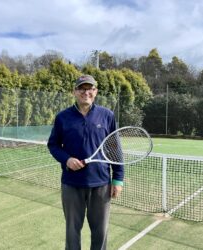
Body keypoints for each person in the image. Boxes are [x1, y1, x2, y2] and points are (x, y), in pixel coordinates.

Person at [47, 75, 124, 250]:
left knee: (100, 232)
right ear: (74, 91)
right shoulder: (62, 117)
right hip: (71, 184)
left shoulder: (107, 115)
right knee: (72, 231)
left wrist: (118, 179)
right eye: (82, 88)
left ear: (95, 92)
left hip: (102, 183)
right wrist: (67, 159)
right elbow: (53, 145)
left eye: (90, 88)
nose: (86, 92)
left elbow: (114, 149)